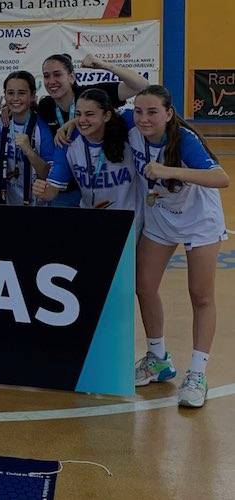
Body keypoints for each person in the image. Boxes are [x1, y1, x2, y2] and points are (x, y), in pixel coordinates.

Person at [128, 85, 229, 408]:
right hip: (162, 215)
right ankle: (157, 357)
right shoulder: (133, 128)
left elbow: (221, 178)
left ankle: (197, 373)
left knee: (200, 296)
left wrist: (169, 170)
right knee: (143, 286)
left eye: (153, 112)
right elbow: (113, 105)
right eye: (139, 112)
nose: (144, 118)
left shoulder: (184, 139)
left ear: (169, 114)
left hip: (199, 219)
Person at [39, 53, 149, 207]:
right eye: (46, 76)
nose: (51, 81)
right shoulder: (45, 106)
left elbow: (143, 86)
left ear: (71, 77)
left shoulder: (94, 94)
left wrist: (105, 65)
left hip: (104, 179)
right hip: (68, 185)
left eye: (57, 74)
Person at [33, 89, 137, 215]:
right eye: (78, 114)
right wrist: (42, 190)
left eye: (89, 114)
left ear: (107, 116)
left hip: (128, 218)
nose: (82, 120)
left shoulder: (127, 129)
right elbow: (52, 191)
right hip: (90, 217)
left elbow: (148, 111)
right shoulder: (67, 139)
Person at [0, 71, 53, 206]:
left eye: (21, 93)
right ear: (5, 95)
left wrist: (29, 151)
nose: (15, 98)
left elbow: (48, 173)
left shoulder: (42, 128)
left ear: (32, 96)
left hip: (36, 204)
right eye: (10, 93)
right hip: (7, 202)